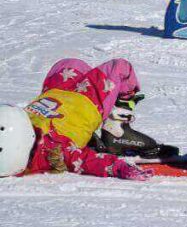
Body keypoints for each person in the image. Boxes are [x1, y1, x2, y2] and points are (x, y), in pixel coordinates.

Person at [0, 58, 171, 180]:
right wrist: (118, 167)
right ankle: (117, 129)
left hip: (58, 93)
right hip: (89, 100)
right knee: (119, 67)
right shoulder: (55, 151)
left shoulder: (11, 129)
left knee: (68, 64)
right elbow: (88, 161)